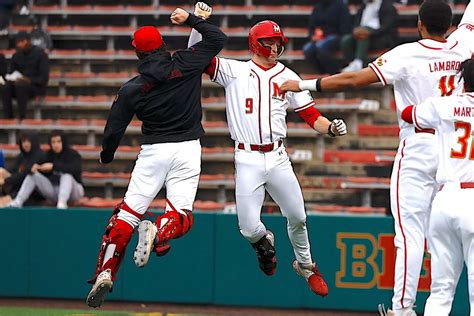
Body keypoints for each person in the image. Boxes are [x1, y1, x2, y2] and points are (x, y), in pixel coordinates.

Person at [135, 3, 347, 297]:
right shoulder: (235, 70)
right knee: (248, 228)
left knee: (298, 216)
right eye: (268, 42)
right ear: (254, 43)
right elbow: (200, 58)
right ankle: (263, 244)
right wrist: (198, 24)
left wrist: (331, 127)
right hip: (246, 156)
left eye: (277, 43)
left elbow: (312, 116)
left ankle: (307, 266)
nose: (274, 48)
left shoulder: (288, 75)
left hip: (277, 156)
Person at [281, 1, 474, 315]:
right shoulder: (463, 45)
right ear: (450, 23)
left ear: (420, 24)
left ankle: (403, 308)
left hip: (418, 145)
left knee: (411, 234)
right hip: (453, 150)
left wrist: (304, 84)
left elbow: (354, 80)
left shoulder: (407, 53)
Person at [85, 5, 227, 308]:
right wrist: (192, 20)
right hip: (188, 149)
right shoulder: (187, 63)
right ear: (163, 44)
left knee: (125, 215)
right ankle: (160, 228)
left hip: (153, 152)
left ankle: (106, 272)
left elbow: (113, 130)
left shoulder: (132, 89)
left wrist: (106, 156)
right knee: (181, 214)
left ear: (137, 53)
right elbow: (217, 39)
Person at [399, 58, 474, 316]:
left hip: (444, 200)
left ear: (463, 82)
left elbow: (407, 114)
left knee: (441, 290)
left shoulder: (444, 105)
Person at [6, 131, 83, 209]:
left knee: (66, 175)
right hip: (54, 191)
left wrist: (53, 167)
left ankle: (61, 204)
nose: (56, 145)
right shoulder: (48, 155)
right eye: (53, 142)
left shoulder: (73, 154)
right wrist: (33, 168)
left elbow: (76, 169)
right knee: (33, 175)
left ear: (63, 142)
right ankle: (18, 201)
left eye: (58, 141)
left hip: (74, 191)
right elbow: (30, 168)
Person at [1, 31, 49, 119]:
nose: (19, 45)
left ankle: (22, 117)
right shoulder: (16, 55)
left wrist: (27, 79)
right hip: (17, 85)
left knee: (21, 85)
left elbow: (43, 78)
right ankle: (8, 117)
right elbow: (12, 72)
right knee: (5, 87)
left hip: (34, 87)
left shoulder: (41, 55)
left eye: (21, 42)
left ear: (28, 41)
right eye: (18, 42)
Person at [341, 0, 398, 72]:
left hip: (379, 37)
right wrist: (356, 30)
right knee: (346, 40)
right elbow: (356, 22)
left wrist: (370, 33)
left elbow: (387, 27)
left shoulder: (388, 6)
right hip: (361, 33)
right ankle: (352, 63)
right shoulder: (363, 6)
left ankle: (359, 63)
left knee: (364, 36)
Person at [302, 0, 352, 74]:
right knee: (307, 49)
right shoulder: (318, 7)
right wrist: (312, 35)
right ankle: (321, 72)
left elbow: (345, 27)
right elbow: (311, 25)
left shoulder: (341, 5)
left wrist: (327, 34)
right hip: (319, 37)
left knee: (321, 46)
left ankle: (334, 73)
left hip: (336, 35)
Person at [0, 132, 45, 205]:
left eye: (28, 141)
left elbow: (25, 176)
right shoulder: (21, 156)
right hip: (17, 186)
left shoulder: (40, 156)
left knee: (2, 203)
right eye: (23, 141)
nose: (26, 144)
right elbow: (11, 170)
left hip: (33, 192)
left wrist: (6, 181)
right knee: (1, 171)